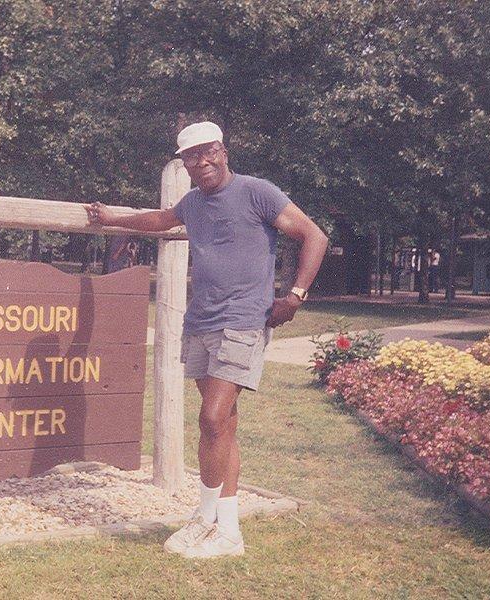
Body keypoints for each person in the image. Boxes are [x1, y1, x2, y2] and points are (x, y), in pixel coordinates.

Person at [85, 122, 328, 558]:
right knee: (224, 426)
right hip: (200, 322)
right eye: (192, 157)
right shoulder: (193, 203)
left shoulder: (258, 192)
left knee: (212, 419)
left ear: (223, 150)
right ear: (186, 165)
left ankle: (204, 516)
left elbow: (315, 235)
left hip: (244, 320)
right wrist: (111, 219)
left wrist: (295, 295)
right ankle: (226, 528)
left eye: (209, 152)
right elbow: (161, 220)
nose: (203, 162)